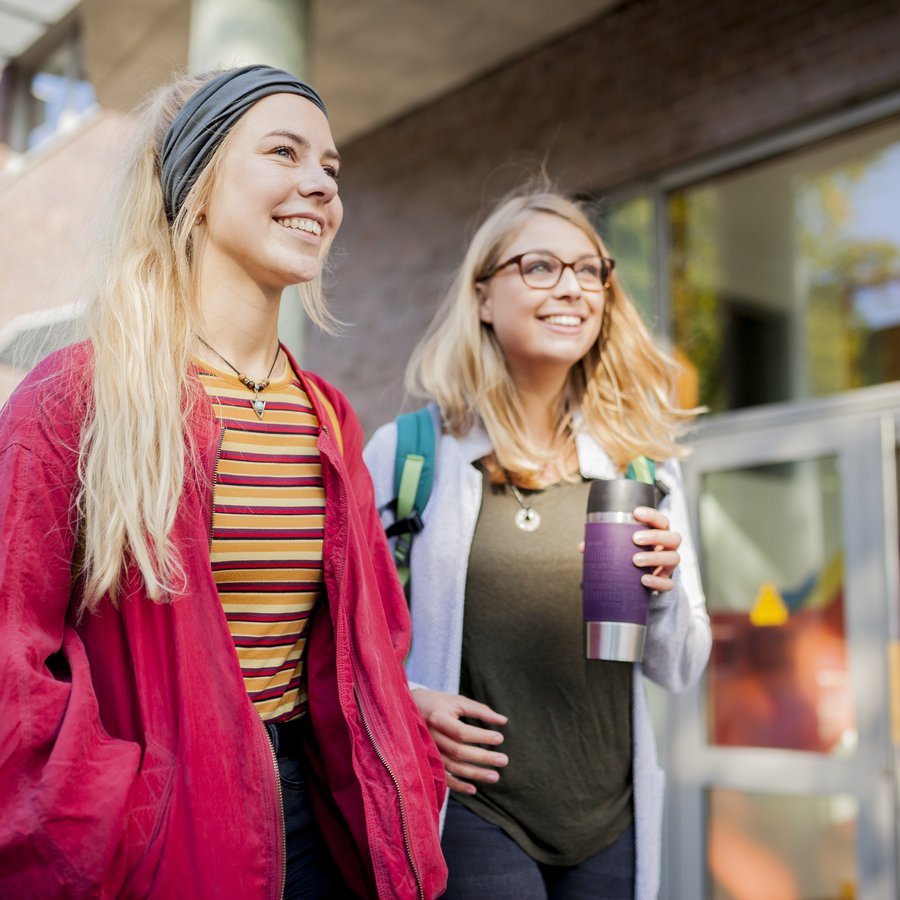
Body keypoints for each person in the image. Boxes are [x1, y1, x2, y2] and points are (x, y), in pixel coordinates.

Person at [0, 65, 447, 899]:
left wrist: (402, 733)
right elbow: (8, 655)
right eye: (285, 152)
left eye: (331, 168)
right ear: (197, 188)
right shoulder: (74, 399)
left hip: (316, 827)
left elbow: (366, 640)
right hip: (162, 842)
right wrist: (109, 814)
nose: (319, 184)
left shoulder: (328, 416)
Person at [364, 189, 711, 899]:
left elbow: (681, 669)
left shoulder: (639, 466)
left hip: (609, 821)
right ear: (484, 296)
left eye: (590, 271)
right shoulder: (409, 456)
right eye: (542, 266)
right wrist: (409, 703)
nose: (573, 289)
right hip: (472, 809)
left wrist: (668, 588)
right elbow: (345, 641)